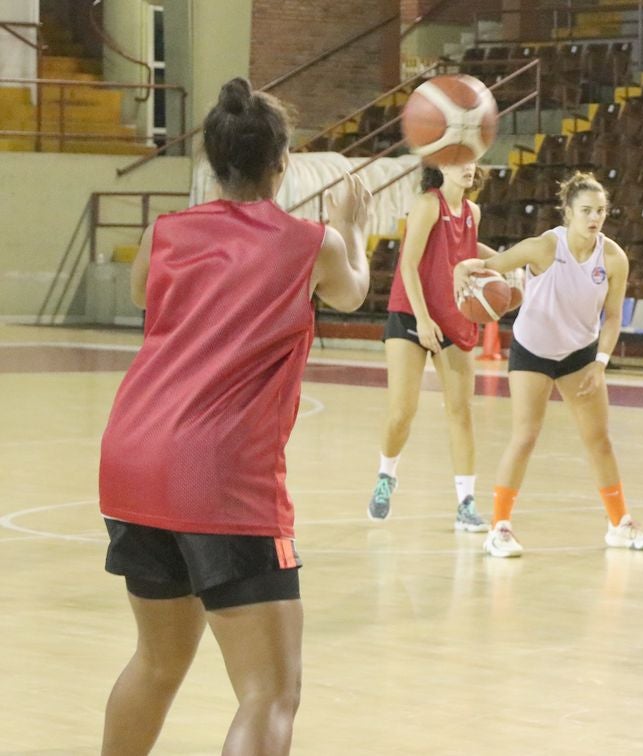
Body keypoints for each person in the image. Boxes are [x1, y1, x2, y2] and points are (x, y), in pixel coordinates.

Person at [97, 77, 372, 755]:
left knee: (157, 662)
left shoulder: (164, 234)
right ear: (283, 164)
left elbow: (143, 295)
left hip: (132, 463)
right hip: (218, 475)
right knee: (270, 692)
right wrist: (355, 231)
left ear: (213, 163)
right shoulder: (311, 244)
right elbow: (351, 294)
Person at [453, 171, 643, 558]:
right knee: (525, 436)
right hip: (533, 349)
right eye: (586, 210)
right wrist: (463, 267)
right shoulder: (544, 247)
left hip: (579, 353)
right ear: (568, 212)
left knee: (599, 440)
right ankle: (499, 528)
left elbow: (613, 316)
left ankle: (619, 524)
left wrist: (600, 362)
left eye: (600, 211)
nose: (594, 218)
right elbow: (492, 263)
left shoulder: (614, 258)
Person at [369, 163, 493, 531]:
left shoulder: (472, 212)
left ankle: (466, 504)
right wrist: (422, 320)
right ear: (441, 166)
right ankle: (386, 475)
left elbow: (463, 252)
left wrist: (508, 263)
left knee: (461, 411)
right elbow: (408, 264)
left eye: (472, 159)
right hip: (411, 310)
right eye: (459, 160)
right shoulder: (427, 205)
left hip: (453, 313)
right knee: (402, 411)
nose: (468, 167)